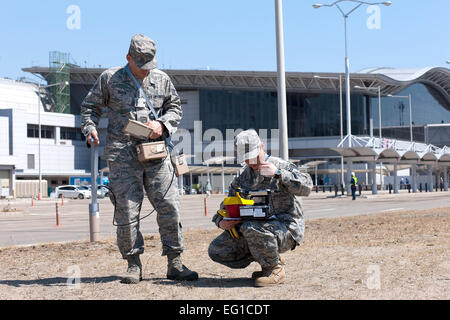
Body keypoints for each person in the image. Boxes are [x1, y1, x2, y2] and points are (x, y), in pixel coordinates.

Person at [80, 34, 198, 284]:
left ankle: (175, 262)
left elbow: (175, 107)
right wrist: (89, 127)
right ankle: (133, 264)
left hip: (156, 154)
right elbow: (90, 108)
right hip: (123, 157)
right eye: (140, 65)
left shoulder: (161, 79)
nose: (145, 71)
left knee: (169, 206)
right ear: (128, 58)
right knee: (127, 212)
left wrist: (162, 124)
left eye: (149, 65)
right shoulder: (110, 79)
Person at [208, 129, 313, 287]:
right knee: (217, 249)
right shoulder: (242, 178)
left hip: (287, 227)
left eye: (254, 155)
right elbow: (226, 206)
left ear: (262, 146)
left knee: (251, 227)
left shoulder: (281, 166)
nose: (252, 161)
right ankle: (269, 258)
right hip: (255, 229)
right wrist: (220, 221)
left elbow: (307, 187)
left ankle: (274, 269)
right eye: (247, 158)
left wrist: (278, 174)